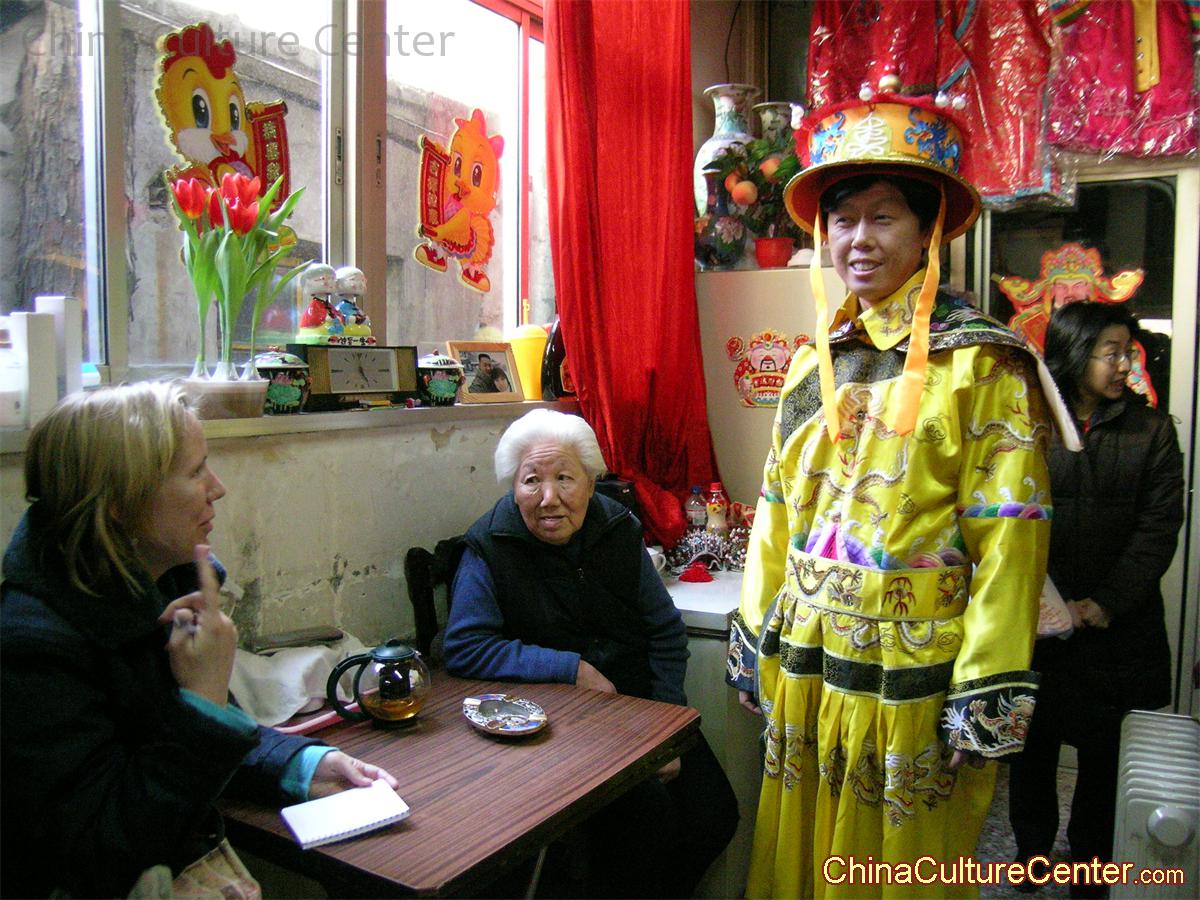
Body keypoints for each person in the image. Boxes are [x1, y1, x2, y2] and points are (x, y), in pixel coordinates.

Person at [725, 96, 1074, 898]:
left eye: (883, 217)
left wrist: (986, 686)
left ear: (928, 233)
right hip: (809, 656)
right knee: (801, 854)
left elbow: (1011, 536)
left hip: (916, 668)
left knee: (896, 865)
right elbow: (777, 509)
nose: (859, 239)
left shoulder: (981, 363)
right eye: (843, 219)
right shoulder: (812, 363)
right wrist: (756, 637)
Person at [0, 383, 398, 898]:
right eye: (195, 472)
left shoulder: (158, 584)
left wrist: (302, 764)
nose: (218, 488)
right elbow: (101, 851)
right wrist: (203, 703)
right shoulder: (31, 650)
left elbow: (192, 735)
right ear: (119, 501)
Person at [444, 408, 738, 897]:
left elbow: (665, 630)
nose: (549, 498)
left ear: (590, 481)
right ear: (513, 487)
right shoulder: (490, 544)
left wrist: (667, 727)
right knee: (647, 821)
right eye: (531, 481)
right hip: (559, 722)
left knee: (714, 816)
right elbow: (465, 646)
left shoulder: (616, 527)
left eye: (564, 478)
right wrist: (569, 668)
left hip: (638, 704)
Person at [1008, 302, 1184, 895]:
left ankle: (1089, 870)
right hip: (1040, 624)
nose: (1124, 365)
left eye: (1128, 353)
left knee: (1105, 764)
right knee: (1031, 753)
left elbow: (1158, 530)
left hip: (1119, 631)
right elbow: (1006, 514)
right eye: (1111, 353)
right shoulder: (1029, 422)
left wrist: (1102, 604)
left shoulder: (1151, 431)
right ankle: (1031, 857)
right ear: (1075, 353)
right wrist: (1038, 600)